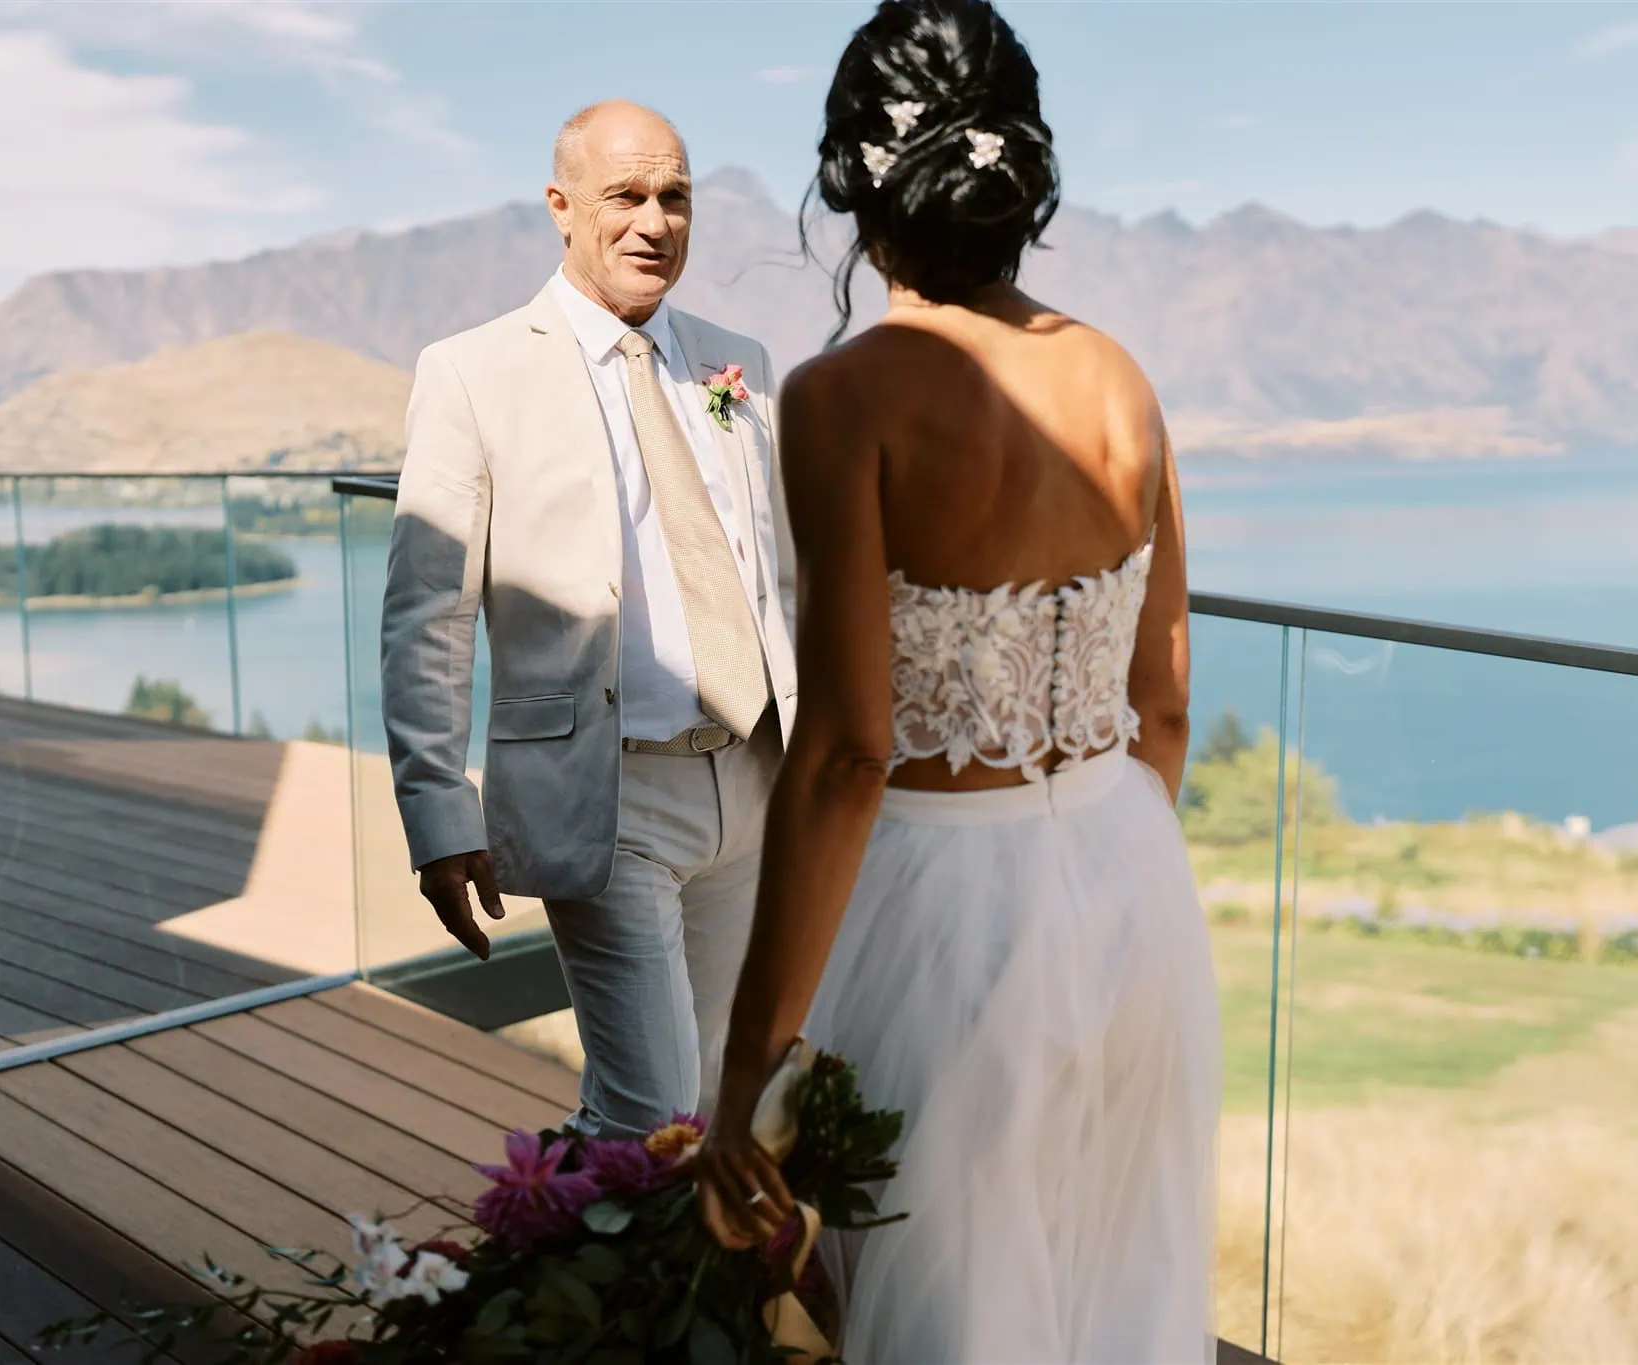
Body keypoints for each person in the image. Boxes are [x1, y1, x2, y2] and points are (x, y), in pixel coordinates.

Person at [692, 1, 1221, 1359]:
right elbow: (1161, 702)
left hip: (939, 908)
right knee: (1110, 1282)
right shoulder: (1123, 380)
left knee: (942, 1306)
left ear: (852, 177)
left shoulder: (846, 394)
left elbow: (849, 753)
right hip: (1127, 880)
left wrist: (750, 1060)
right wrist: (1089, 859)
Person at [380, 101, 798, 1139]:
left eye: (675, 198)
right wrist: (439, 813)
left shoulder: (734, 362)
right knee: (649, 1114)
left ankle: (689, 1301)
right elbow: (430, 612)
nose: (653, 221)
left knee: (727, 1102)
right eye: (626, 196)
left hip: (755, 785)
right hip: (607, 802)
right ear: (561, 208)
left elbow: (779, 577)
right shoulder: (472, 372)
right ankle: (550, 1288)